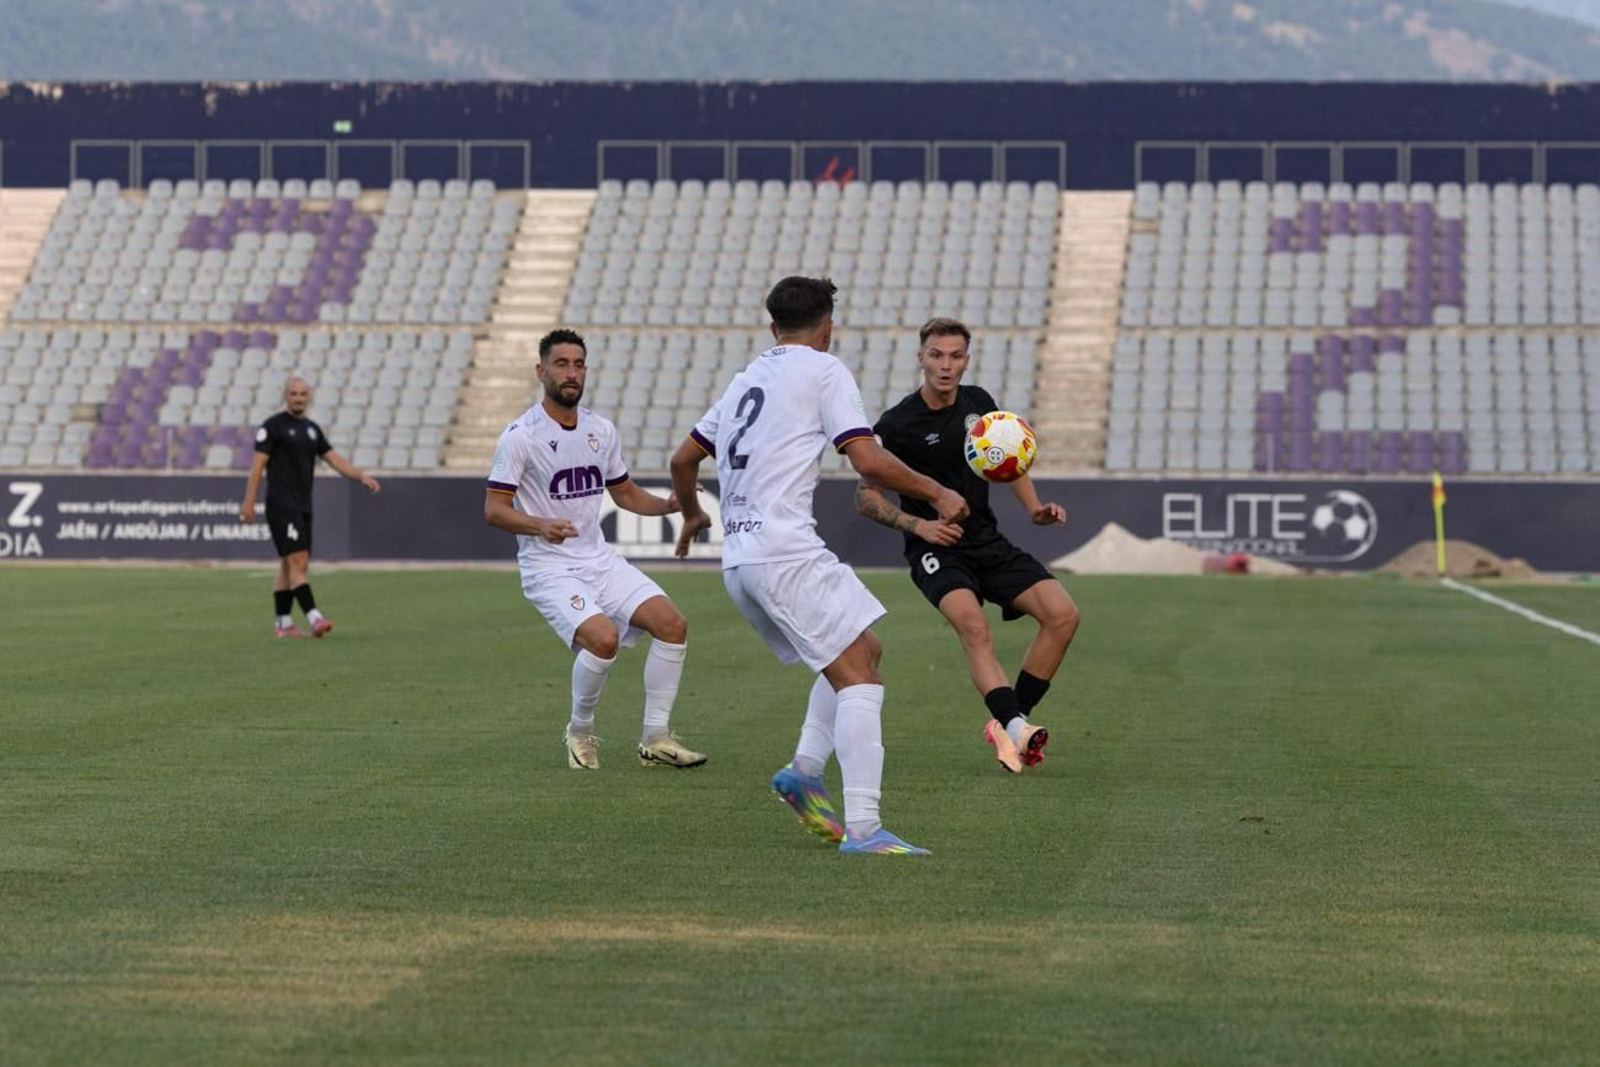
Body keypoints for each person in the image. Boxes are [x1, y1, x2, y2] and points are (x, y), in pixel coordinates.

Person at [670, 276, 970, 856]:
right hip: (784, 554)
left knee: (866, 649)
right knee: (860, 678)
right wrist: (935, 491)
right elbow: (867, 457)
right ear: (827, 328)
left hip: (744, 560)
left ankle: (805, 770)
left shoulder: (743, 380)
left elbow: (683, 459)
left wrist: (691, 516)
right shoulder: (824, 370)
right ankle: (864, 829)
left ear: (772, 325)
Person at [856, 317, 1081, 773]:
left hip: (987, 540)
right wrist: (919, 528)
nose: (946, 365)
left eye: (955, 356)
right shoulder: (897, 424)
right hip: (937, 549)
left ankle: (1008, 722)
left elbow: (1007, 462)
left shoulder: (980, 403)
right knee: (975, 629)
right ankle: (1015, 727)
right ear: (921, 358)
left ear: (967, 360)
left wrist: (1034, 509)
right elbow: (865, 496)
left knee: (1063, 615)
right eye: (936, 355)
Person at [485, 328, 706, 772]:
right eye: (562, 364)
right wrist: (539, 524)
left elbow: (624, 494)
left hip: (599, 560)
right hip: (548, 567)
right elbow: (494, 509)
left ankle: (655, 738)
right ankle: (579, 731)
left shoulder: (600, 430)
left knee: (672, 624)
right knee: (602, 638)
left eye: (579, 364)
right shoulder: (520, 436)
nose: (571, 373)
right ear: (541, 370)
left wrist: (667, 505)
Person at [240, 375, 380, 639]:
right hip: (281, 506)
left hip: (303, 506)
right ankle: (315, 617)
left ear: (309, 397)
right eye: (293, 393)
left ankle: (283, 624)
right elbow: (258, 466)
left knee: (288, 565)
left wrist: (360, 476)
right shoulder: (273, 426)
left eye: (303, 394)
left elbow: (334, 459)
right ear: (286, 396)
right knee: (299, 561)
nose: (298, 398)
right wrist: (249, 502)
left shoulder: (312, 430)